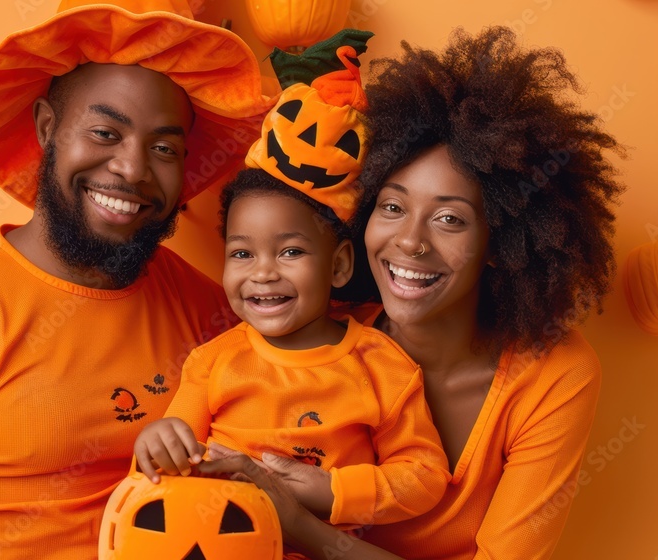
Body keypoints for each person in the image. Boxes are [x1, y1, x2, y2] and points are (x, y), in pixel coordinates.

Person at [0, 1, 269, 558]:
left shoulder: (209, 310)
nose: (133, 169)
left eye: (163, 148)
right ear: (48, 128)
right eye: (105, 132)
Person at [199, 26, 625, 560]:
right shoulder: (317, 322)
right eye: (392, 207)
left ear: (503, 240)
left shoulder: (553, 375)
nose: (409, 242)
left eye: (449, 219)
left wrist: (301, 525)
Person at [132, 46, 450, 536]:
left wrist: (320, 490)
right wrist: (157, 442)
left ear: (339, 265)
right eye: (242, 254)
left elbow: (424, 478)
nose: (262, 274)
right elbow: (165, 472)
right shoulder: (212, 363)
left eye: (289, 253)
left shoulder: (381, 366)